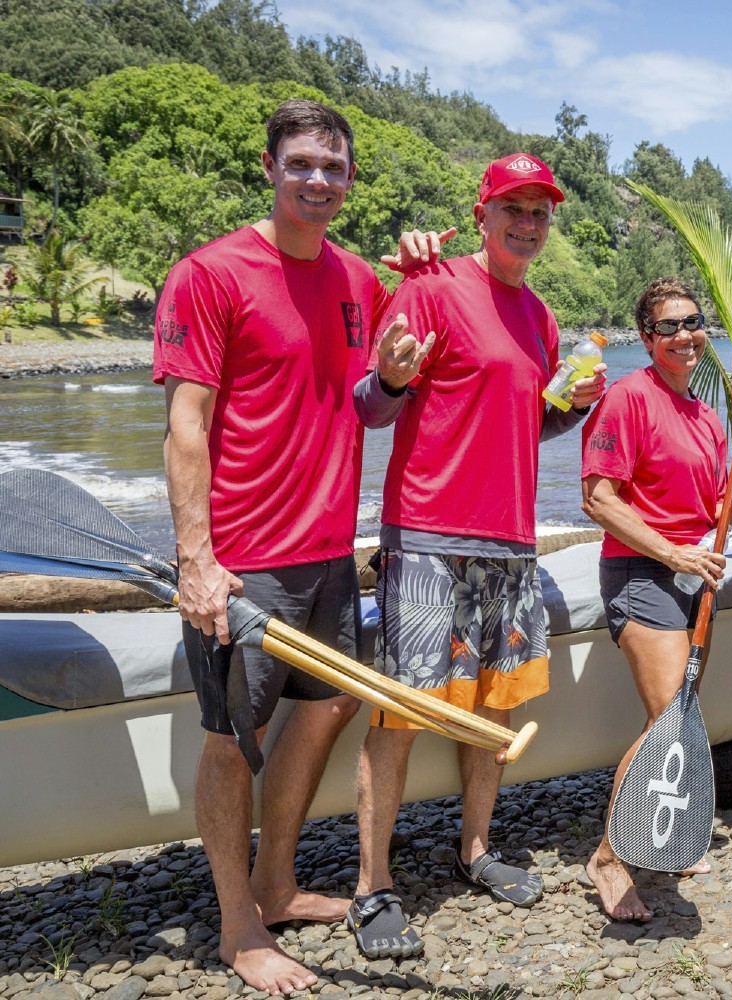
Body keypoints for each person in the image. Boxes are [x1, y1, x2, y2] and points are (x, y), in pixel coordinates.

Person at [154, 99, 430, 995]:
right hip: (245, 559)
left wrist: (390, 377)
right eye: (302, 163)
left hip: (326, 553)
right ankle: (239, 927)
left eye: (334, 168)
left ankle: (275, 883)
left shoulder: (357, 280)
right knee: (235, 738)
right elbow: (185, 428)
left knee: (326, 709)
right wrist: (195, 560)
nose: (318, 180)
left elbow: (371, 405)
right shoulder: (210, 273)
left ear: (350, 181)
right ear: (271, 168)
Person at [347, 152, 606, 958]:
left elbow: (524, 424)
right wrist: (388, 379)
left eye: (540, 213)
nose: (528, 224)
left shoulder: (540, 317)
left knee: (494, 706)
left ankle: (476, 849)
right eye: (514, 209)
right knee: (401, 715)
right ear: (482, 211)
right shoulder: (428, 289)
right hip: (427, 535)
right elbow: (370, 405)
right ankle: (370, 887)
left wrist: (570, 408)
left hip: (512, 538)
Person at [579, 278, 732, 921]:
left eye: (693, 322)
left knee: (681, 716)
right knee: (668, 716)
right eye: (668, 326)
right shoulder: (627, 398)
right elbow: (598, 498)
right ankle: (610, 858)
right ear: (646, 338)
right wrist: (672, 554)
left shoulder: (703, 414)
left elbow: (707, 509)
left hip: (695, 574)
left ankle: (660, 832)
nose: (685, 335)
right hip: (643, 573)